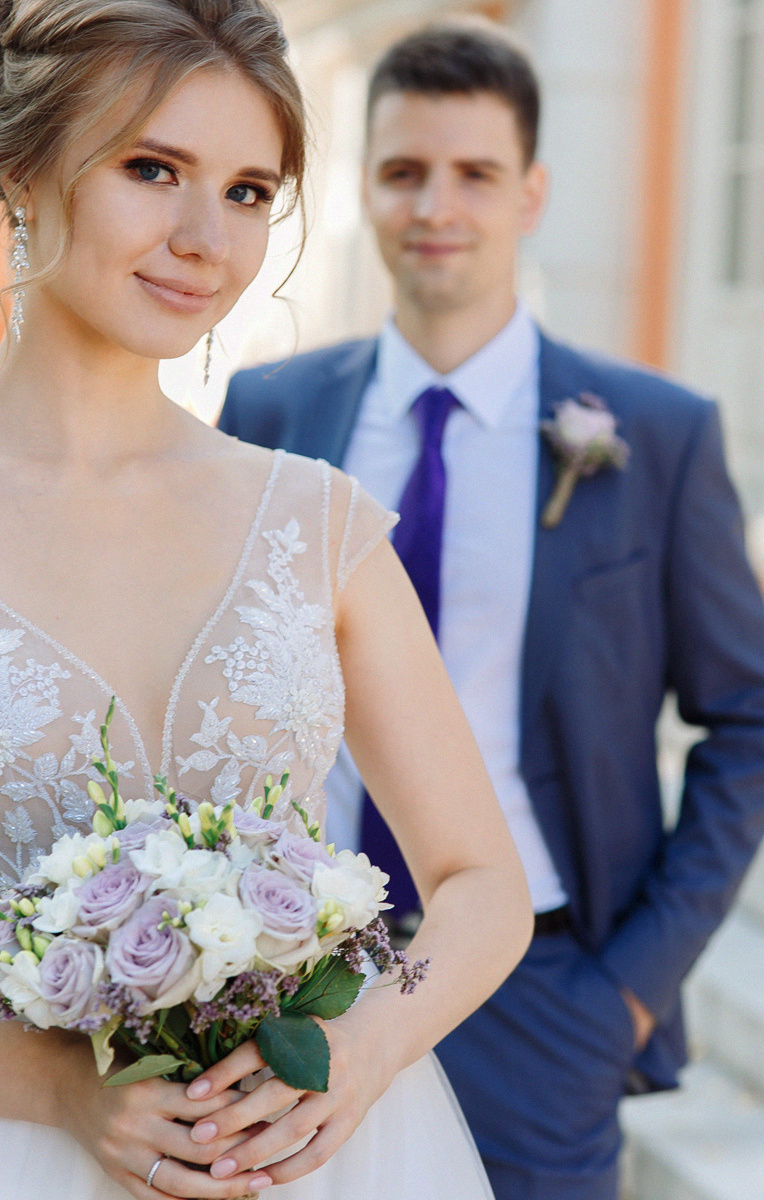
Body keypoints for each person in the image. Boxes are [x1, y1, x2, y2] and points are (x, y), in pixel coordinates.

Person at [217, 20, 764, 1200]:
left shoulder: (655, 435)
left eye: (474, 173)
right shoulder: (270, 410)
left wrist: (629, 988)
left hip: (544, 1000)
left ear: (528, 193)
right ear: (364, 191)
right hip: (284, 981)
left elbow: (745, 717)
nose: (436, 204)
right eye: (402, 171)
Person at [0, 3, 535, 1199]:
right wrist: (55, 1090)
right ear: (21, 168)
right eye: (152, 169)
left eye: (248, 191)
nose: (204, 238)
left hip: (313, 1160)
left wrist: (363, 1046)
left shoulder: (312, 522)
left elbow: (479, 884)